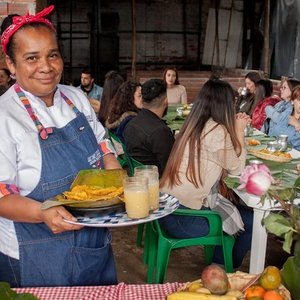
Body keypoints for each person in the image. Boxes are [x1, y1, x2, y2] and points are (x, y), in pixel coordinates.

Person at [0, 6, 120, 287]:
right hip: (36, 254)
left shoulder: (75, 98)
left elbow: (103, 144)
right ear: (11, 64)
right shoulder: (5, 117)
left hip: (94, 245)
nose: (46, 66)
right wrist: (41, 212)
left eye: (52, 55)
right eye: (32, 58)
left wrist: (115, 173)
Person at [159, 79, 253, 268]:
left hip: (166, 209)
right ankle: (223, 267)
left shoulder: (194, 123)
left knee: (240, 214)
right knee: (252, 222)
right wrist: (240, 132)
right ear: (224, 105)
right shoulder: (217, 131)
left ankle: (219, 262)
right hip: (182, 218)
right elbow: (238, 170)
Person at [123, 79, 175, 177]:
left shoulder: (130, 124)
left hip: (139, 179)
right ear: (166, 102)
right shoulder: (161, 131)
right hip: (158, 183)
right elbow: (171, 169)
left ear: (142, 100)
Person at [269, 86, 300, 150]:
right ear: (292, 101)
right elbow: (272, 134)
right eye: (299, 99)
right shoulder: (286, 114)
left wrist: (298, 126)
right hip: (276, 152)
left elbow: (296, 145)